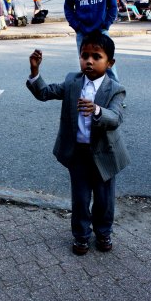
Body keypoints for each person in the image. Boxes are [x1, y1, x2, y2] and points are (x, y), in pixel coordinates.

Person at [26, 31, 130, 255]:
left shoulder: (115, 89)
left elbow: (116, 118)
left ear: (110, 62)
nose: (89, 61)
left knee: (104, 200)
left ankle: (103, 232)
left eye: (96, 56)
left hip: (105, 154)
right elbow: (45, 93)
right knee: (80, 199)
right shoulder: (73, 82)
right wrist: (35, 71)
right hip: (78, 154)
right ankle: (81, 236)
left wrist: (97, 110)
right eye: (85, 55)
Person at [64, 0, 118, 82]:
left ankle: (117, 97)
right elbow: (68, 7)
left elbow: (112, 6)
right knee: (87, 66)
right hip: (83, 32)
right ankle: (90, 96)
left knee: (108, 65)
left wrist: (106, 24)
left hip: (101, 30)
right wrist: (77, 26)